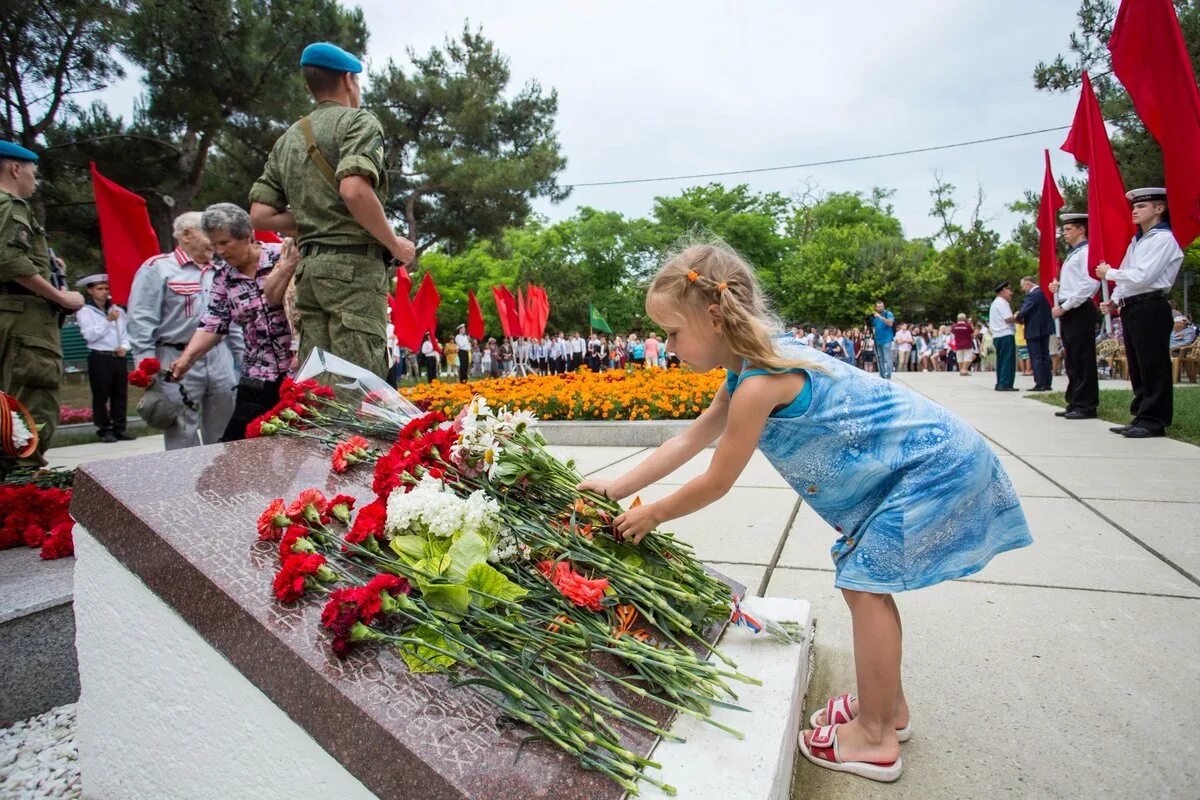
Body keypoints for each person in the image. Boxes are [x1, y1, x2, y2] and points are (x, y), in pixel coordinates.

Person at [577, 241, 1031, 784]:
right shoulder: (750, 366)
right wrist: (617, 484)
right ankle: (885, 708)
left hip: (933, 467)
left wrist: (651, 514)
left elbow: (717, 480)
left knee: (864, 586)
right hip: (925, 463)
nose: (667, 345)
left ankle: (876, 737)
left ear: (715, 317)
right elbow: (693, 439)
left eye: (672, 332)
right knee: (866, 583)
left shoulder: (761, 383)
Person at [248, 42, 415, 379]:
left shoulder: (288, 139)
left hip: (310, 271)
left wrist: (314, 220)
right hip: (353, 270)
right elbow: (354, 190)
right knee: (360, 386)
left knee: (321, 386)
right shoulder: (358, 123)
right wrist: (395, 245)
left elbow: (259, 216)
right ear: (348, 79)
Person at [166, 204, 295, 442]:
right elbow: (213, 323)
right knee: (235, 445)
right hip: (257, 377)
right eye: (214, 245)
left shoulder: (283, 257)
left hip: (297, 374)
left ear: (247, 236)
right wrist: (186, 359)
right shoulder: (224, 277)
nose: (219, 251)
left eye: (224, 243)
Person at [0, 141, 84, 469]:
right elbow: (9, 259)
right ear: (15, 168)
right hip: (25, 322)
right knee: (28, 414)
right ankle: (22, 492)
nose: (36, 179)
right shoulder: (11, 205)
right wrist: (59, 296)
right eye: (33, 171)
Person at [128, 212, 241, 450]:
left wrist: (244, 362)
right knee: (181, 430)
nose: (215, 240)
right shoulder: (157, 269)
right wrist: (145, 365)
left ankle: (223, 481)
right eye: (208, 233)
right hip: (174, 357)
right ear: (187, 234)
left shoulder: (222, 271)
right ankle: (185, 484)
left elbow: (234, 323)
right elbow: (141, 321)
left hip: (219, 355)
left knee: (225, 428)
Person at [1097, 188, 1184, 438]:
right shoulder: (1137, 241)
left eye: (1142, 207)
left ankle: (1155, 420)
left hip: (1151, 305)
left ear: (1159, 209)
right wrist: (1114, 300)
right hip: (1132, 305)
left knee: (1152, 364)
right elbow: (1127, 276)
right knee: (1137, 365)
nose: (1135, 210)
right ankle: (1142, 414)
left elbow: (1144, 276)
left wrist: (1109, 273)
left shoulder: (1163, 239)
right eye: (1134, 207)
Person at [1048, 211, 1099, 419]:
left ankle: (1086, 404)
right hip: (1069, 308)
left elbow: (1089, 285)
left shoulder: (1086, 252)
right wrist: (1057, 288)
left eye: (1069, 229)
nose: (1065, 233)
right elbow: (1074, 284)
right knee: (1073, 359)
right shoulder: (1074, 253)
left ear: (1081, 229)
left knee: (1083, 358)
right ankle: (1075, 401)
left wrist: (1065, 306)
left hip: (1078, 309)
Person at [75, 274, 132, 442]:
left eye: (106, 288)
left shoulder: (117, 310)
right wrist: (107, 321)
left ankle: (120, 427)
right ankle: (104, 429)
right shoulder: (85, 311)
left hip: (118, 356)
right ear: (90, 291)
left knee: (120, 393)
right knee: (101, 394)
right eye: (99, 289)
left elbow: (125, 332)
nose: (104, 292)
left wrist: (125, 347)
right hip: (99, 356)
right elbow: (90, 335)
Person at [1015, 276, 1054, 391]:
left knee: (1036, 356)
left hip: (1034, 330)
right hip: (1044, 329)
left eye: (1023, 286)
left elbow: (1024, 311)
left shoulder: (1032, 295)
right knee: (1044, 356)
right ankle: (1047, 382)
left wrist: (1017, 317)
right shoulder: (1044, 292)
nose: (1023, 289)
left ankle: (1040, 383)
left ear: (1028, 284)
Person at [989, 281, 1017, 391]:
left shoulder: (995, 303)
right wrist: (1017, 317)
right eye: (1009, 290)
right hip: (1005, 334)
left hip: (997, 336)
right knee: (1008, 361)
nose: (1011, 292)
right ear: (1003, 290)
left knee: (1001, 360)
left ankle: (1000, 382)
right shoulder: (1003, 303)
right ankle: (1005, 384)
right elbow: (1008, 319)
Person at [871, 300, 895, 379]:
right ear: (876, 307)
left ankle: (888, 375)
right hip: (878, 339)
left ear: (884, 306)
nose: (880, 308)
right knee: (880, 358)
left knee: (887, 357)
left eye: (881, 306)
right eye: (878, 306)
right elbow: (872, 326)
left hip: (887, 339)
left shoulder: (888, 313)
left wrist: (880, 317)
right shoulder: (875, 315)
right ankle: (881, 375)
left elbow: (890, 323)